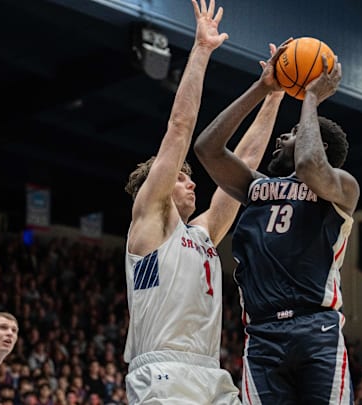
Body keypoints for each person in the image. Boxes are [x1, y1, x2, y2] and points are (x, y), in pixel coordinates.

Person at [122, 0, 283, 403]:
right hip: (161, 371)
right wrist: (201, 50)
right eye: (181, 177)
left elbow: (243, 164)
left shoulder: (204, 232)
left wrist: (274, 96)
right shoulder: (150, 222)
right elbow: (180, 129)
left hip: (210, 370)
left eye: (190, 178)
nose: (190, 182)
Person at [194, 41, 358, 404]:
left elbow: (309, 167)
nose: (282, 137)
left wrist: (311, 99)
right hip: (263, 334)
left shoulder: (342, 187)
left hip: (317, 329)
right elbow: (207, 148)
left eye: (293, 133)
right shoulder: (254, 187)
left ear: (319, 144)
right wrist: (264, 87)